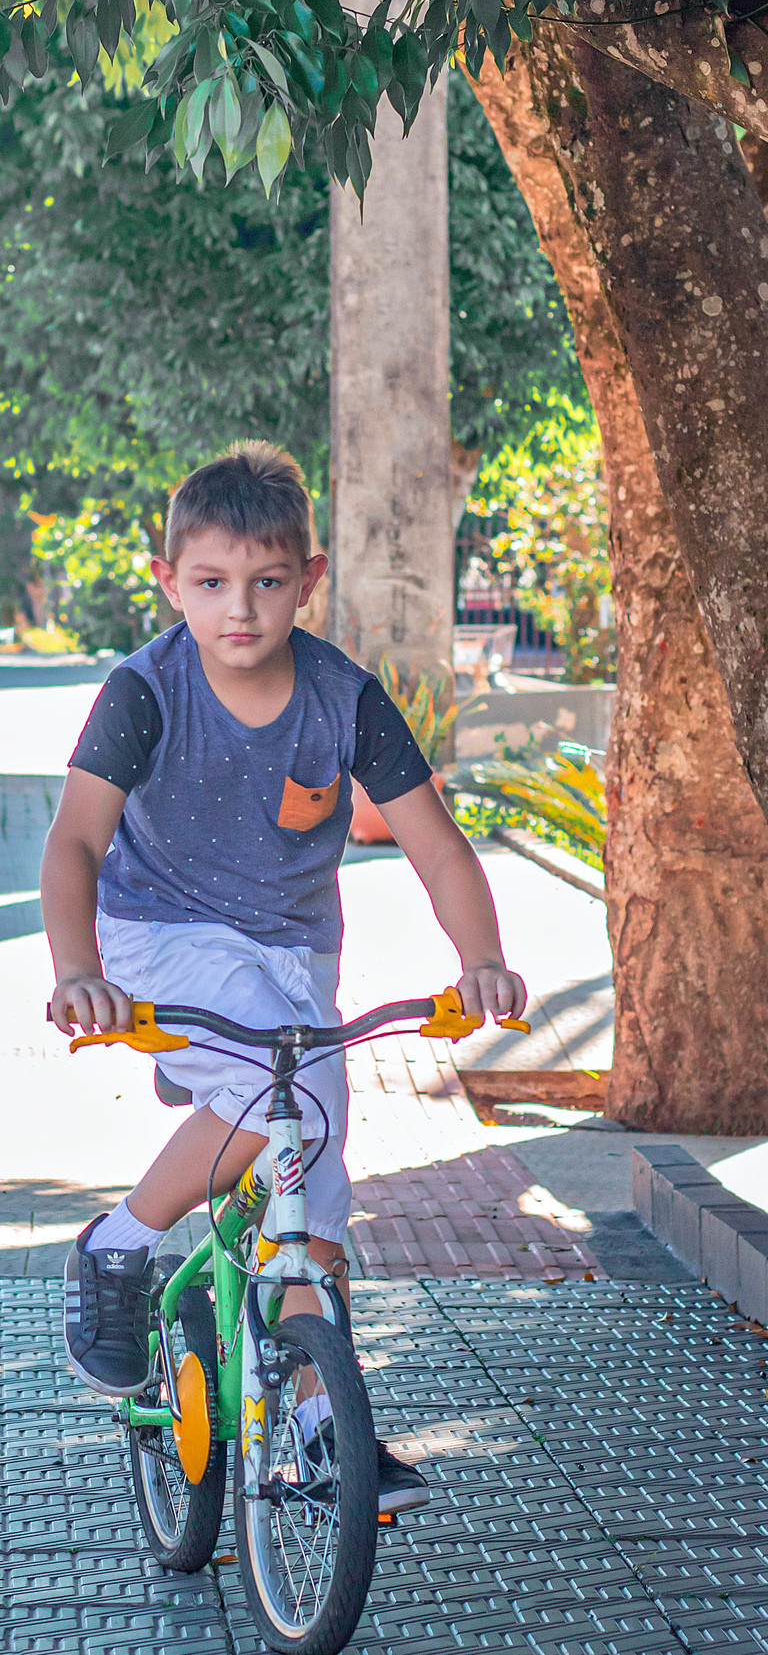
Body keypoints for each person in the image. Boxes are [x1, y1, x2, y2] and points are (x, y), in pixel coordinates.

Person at [41, 442, 526, 1513]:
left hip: (295, 957)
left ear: (308, 580)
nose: (240, 610)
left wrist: (480, 957)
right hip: (156, 932)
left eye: (266, 582)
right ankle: (117, 1242)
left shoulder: (343, 697)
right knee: (293, 1102)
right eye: (210, 583)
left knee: (317, 1175)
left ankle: (315, 1415)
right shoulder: (143, 689)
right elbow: (75, 841)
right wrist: (79, 970)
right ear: (170, 583)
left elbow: (437, 844)